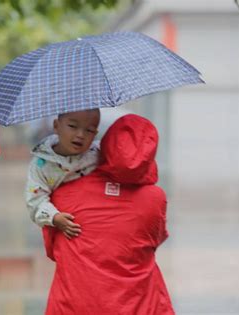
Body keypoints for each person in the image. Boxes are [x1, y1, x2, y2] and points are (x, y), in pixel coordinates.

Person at [43, 114, 175, 315]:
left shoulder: (63, 192)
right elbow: (154, 240)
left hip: (73, 306)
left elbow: (53, 248)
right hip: (142, 306)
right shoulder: (155, 199)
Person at [25, 108, 101, 239]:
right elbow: (35, 200)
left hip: (95, 227)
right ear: (56, 126)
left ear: (95, 134)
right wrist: (54, 217)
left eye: (89, 130)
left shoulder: (98, 154)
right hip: (66, 231)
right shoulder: (41, 164)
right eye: (72, 126)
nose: (80, 135)